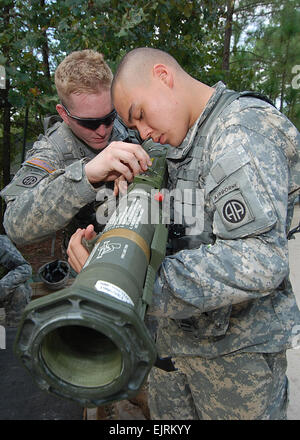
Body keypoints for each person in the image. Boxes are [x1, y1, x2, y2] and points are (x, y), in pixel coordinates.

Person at [67, 47, 300, 420]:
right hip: (175, 346)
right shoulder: (179, 139)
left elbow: (260, 259)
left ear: (163, 75)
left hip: (234, 360)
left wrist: (133, 281)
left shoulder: (239, 132)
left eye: (140, 115)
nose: (142, 131)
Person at [0, 50, 152, 248]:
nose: (102, 130)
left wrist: (137, 161)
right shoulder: (52, 150)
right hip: (92, 257)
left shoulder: (124, 118)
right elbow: (15, 226)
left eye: (108, 117)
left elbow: (160, 142)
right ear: (64, 114)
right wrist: (85, 177)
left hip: (142, 238)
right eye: (89, 123)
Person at [0, 234, 32, 327]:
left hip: (7, 292)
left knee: (20, 290)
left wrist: (2, 287)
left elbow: (25, 268)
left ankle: (17, 330)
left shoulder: (1, 243)